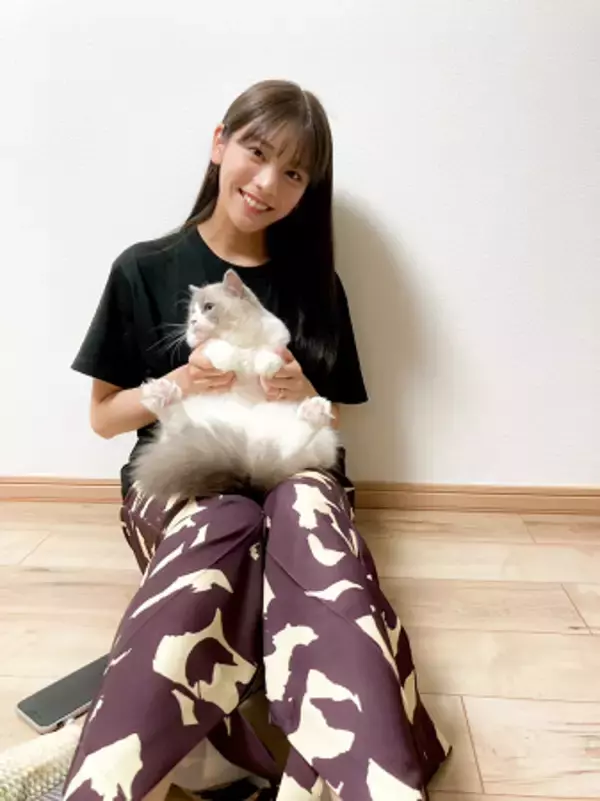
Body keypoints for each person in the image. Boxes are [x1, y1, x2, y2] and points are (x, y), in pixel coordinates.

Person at [64, 79, 450, 801]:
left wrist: (305, 394)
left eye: (295, 172)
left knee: (307, 520)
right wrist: (179, 382)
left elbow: (334, 416)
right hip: (183, 475)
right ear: (220, 144)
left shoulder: (316, 285)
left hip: (290, 466)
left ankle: (370, 784)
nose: (268, 182)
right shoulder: (143, 268)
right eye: (257, 151)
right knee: (223, 529)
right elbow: (105, 416)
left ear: (308, 190)